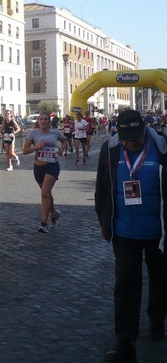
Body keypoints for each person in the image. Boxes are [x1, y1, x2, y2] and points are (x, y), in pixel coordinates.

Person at [95, 110, 167, 362]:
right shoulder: (109, 149)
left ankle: (157, 320)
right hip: (124, 231)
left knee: (160, 279)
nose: (130, 143)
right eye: (126, 139)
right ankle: (125, 342)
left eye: (134, 138)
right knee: (126, 282)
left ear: (144, 131)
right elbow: (102, 188)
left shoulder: (162, 146)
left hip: (159, 232)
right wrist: (104, 221)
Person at [22, 112, 66, 233]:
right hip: (38, 168)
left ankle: (43, 224)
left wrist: (62, 149)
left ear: (49, 121)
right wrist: (36, 147)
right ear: (38, 121)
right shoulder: (33, 133)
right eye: (41, 119)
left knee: (44, 194)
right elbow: (25, 151)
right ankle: (53, 214)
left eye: (46, 119)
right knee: (47, 194)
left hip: (52, 166)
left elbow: (64, 141)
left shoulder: (55, 132)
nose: (43, 121)